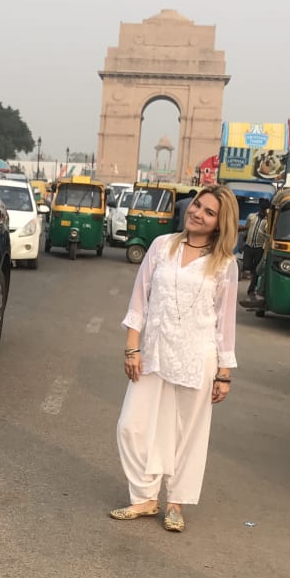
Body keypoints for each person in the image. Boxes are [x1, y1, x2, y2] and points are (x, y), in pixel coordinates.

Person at [111, 185, 239, 533]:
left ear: (220, 223)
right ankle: (145, 497)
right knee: (131, 426)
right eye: (197, 205)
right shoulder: (162, 245)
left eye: (209, 212)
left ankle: (176, 503)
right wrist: (132, 347)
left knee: (187, 433)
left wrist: (224, 373)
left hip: (197, 357)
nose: (197, 213)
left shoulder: (225, 264)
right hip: (154, 352)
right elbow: (139, 300)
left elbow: (225, 321)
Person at [243, 198, 270, 300]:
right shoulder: (252, 216)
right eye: (262, 209)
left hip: (259, 247)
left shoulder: (268, 220)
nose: (263, 211)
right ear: (259, 208)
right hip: (249, 245)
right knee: (247, 265)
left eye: (264, 210)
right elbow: (246, 228)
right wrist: (243, 241)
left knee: (256, 270)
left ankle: (251, 289)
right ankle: (252, 280)